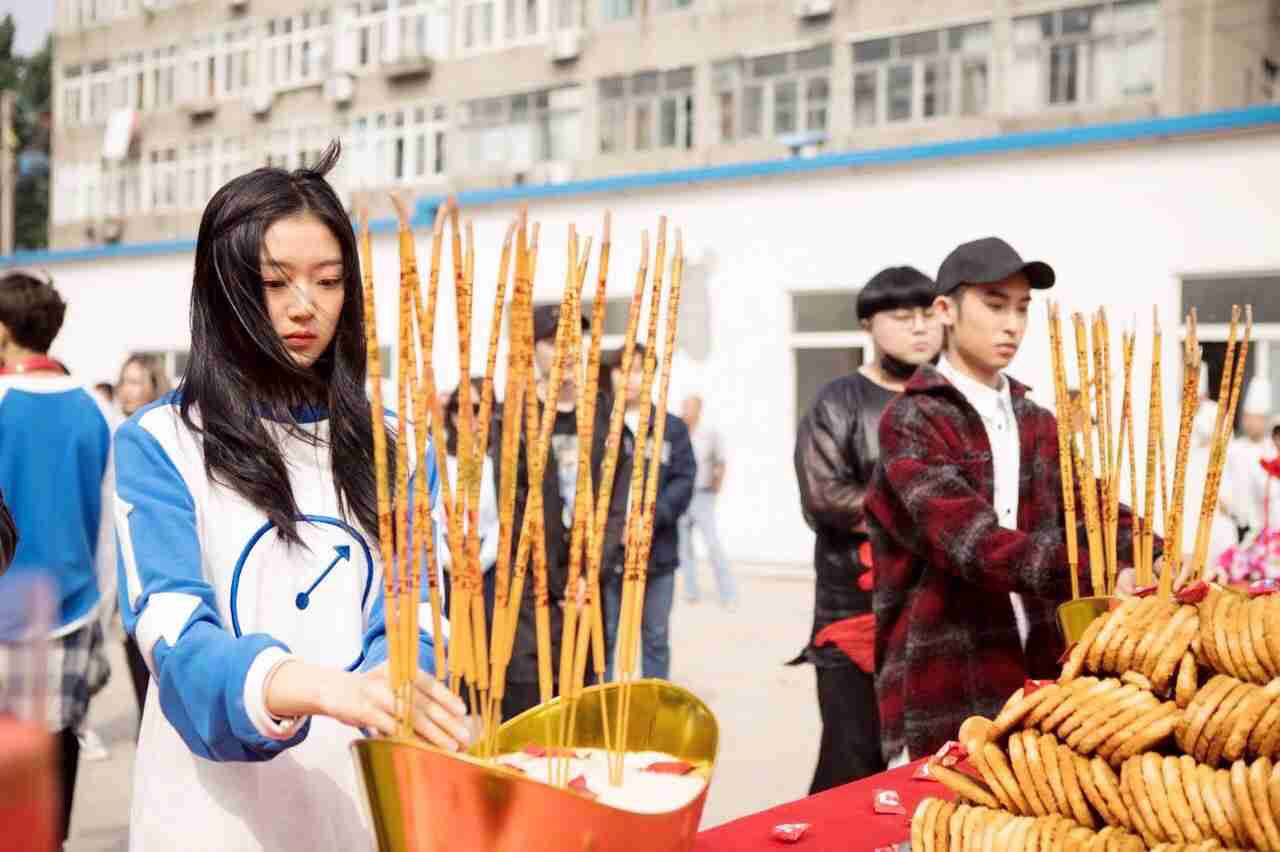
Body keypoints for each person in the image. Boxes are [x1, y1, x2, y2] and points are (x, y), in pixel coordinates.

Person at [112, 144, 469, 852]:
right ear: (224, 290)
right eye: (275, 282)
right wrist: (326, 689)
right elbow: (177, 646)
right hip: (211, 825)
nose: (305, 306)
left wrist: (404, 681)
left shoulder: (397, 445)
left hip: (359, 813)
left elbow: (418, 608)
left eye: (329, 281)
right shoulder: (160, 443)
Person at [865, 237, 1148, 765]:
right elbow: (974, 544)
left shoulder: (1034, 419)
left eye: (1022, 308)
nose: (1012, 325)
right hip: (943, 672)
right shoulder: (912, 421)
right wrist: (1101, 570)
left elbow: (1094, 509)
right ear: (945, 310)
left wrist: (1156, 554)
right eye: (995, 305)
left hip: (1038, 669)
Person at [791, 266, 942, 793]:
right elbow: (824, 498)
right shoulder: (838, 401)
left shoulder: (954, 399)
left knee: (935, 765)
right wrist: (931, 513)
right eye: (901, 316)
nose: (919, 327)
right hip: (856, 613)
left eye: (928, 315)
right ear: (867, 326)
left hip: (939, 612)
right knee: (852, 761)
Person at [0, 270, 115, 845]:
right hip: (71, 614)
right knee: (48, 799)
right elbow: (109, 534)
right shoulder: (97, 409)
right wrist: (103, 614)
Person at [498, 304, 620, 719]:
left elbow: (617, 501)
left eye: (573, 340)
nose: (565, 350)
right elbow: (511, 505)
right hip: (532, 585)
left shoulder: (602, 413)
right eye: (552, 341)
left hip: (588, 585)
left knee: (583, 706)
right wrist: (554, 579)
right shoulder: (517, 416)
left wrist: (590, 572)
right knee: (530, 703)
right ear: (533, 350)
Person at [601, 345, 695, 681]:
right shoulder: (600, 427)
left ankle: (652, 704)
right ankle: (603, 706)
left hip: (657, 555)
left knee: (655, 637)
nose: (629, 378)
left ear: (652, 375)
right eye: (622, 369)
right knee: (604, 638)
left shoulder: (671, 428)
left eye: (639, 369)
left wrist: (652, 518)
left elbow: (684, 480)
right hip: (608, 554)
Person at [113, 353, 172, 728]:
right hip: (123, 577)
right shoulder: (115, 432)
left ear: (153, 385)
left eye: (135, 381)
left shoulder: (163, 436)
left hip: (157, 578)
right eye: (124, 381)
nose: (127, 390)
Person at [676, 394, 735, 608]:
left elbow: (721, 462)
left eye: (689, 407)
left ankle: (728, 595)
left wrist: (715, 489)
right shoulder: (678, 434)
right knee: (684, 547)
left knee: (712, 544)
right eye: (684, 406)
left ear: (698, 410)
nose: (685, 411)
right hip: (682, 496)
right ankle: (691, 593)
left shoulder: (709, 435)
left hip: (702, 495)